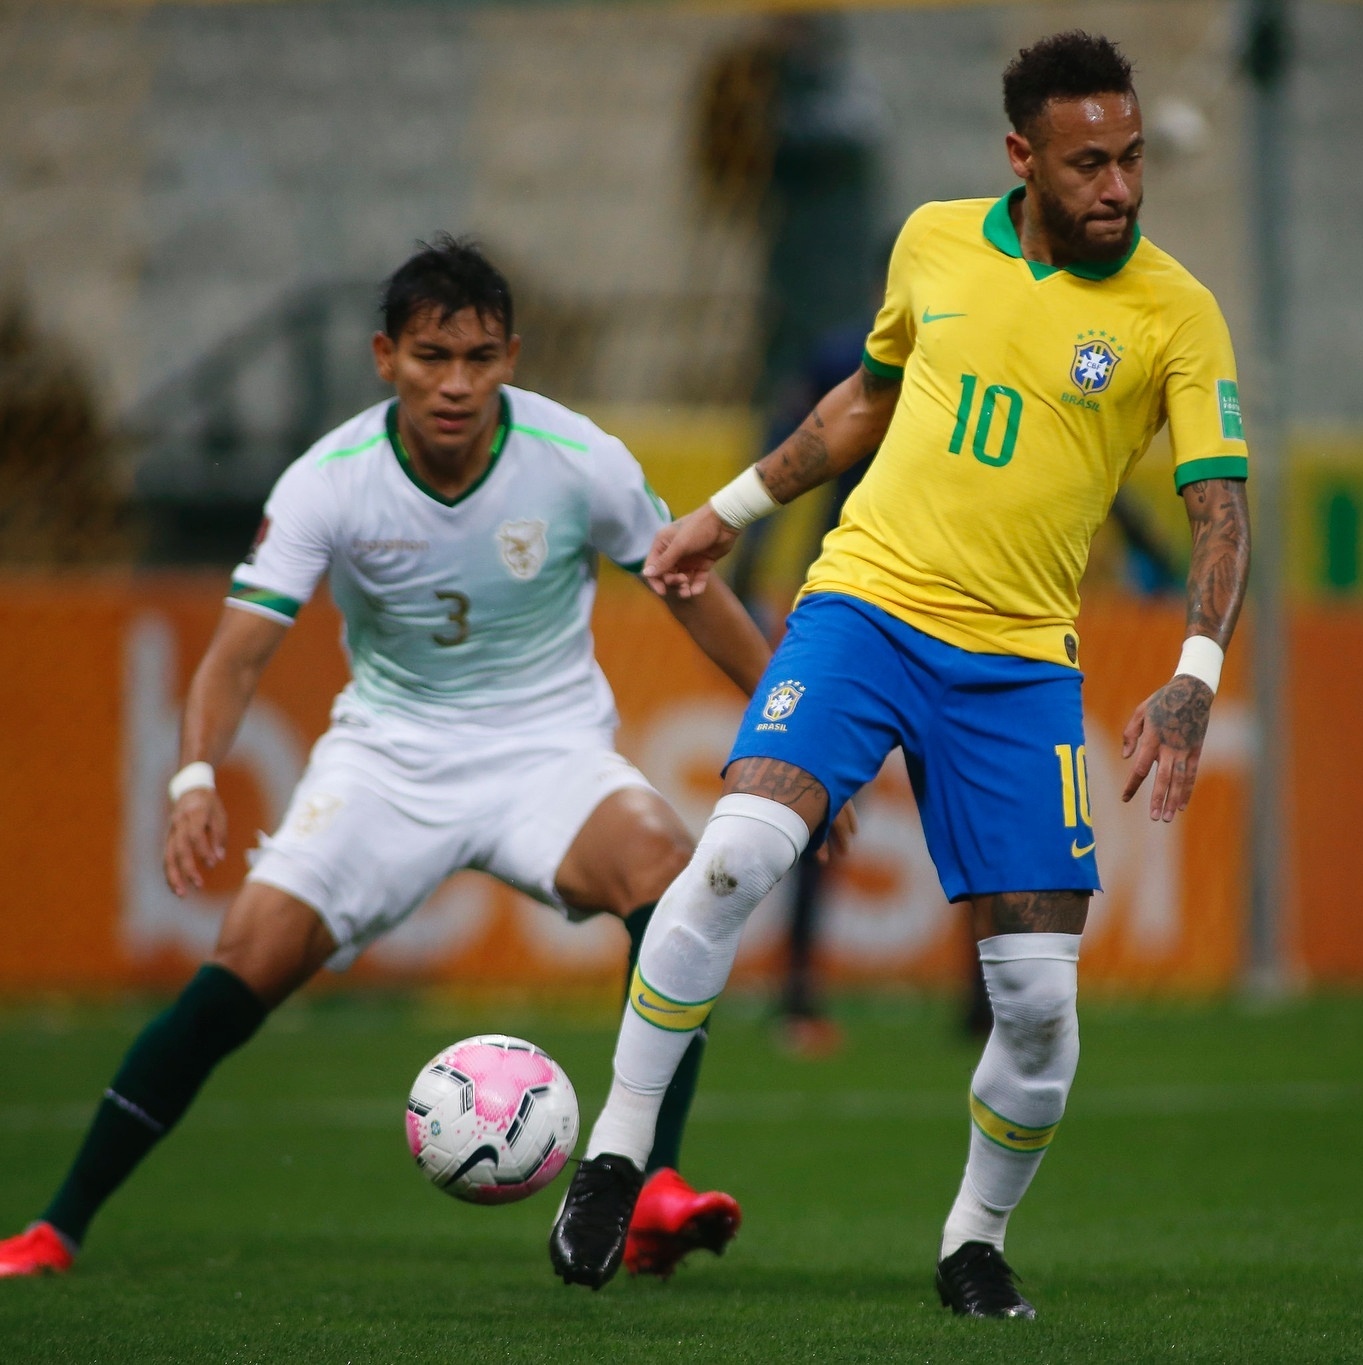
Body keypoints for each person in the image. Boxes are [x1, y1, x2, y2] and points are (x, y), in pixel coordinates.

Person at [548, 31, 1251, 1318]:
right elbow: (863, 404)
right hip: (862, 608)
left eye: (1133, 157)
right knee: (734, 853)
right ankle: (613, 1152)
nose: (1120, 188)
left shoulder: (1176, 314)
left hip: (1019, 667)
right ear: (1020, 159)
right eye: (1088, 162)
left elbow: (1218, 513)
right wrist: (728, 506)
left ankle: (971, 1243)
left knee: (1035, 1009)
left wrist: (1194, 671)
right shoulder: (931, 240)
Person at [0, 236, 776, 1281]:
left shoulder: (578, 458)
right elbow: (236, 656)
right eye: (430, 358)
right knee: (239, 975)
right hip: (387, 762)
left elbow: (689, 588)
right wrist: (192, 777)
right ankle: (57, 1226)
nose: (456, 385)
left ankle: (650, 1188)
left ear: (511, 356)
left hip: (546, 753)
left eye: (480, 358)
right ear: (384, 356)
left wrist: (788, 729)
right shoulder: (331, 481)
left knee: (672, 886)